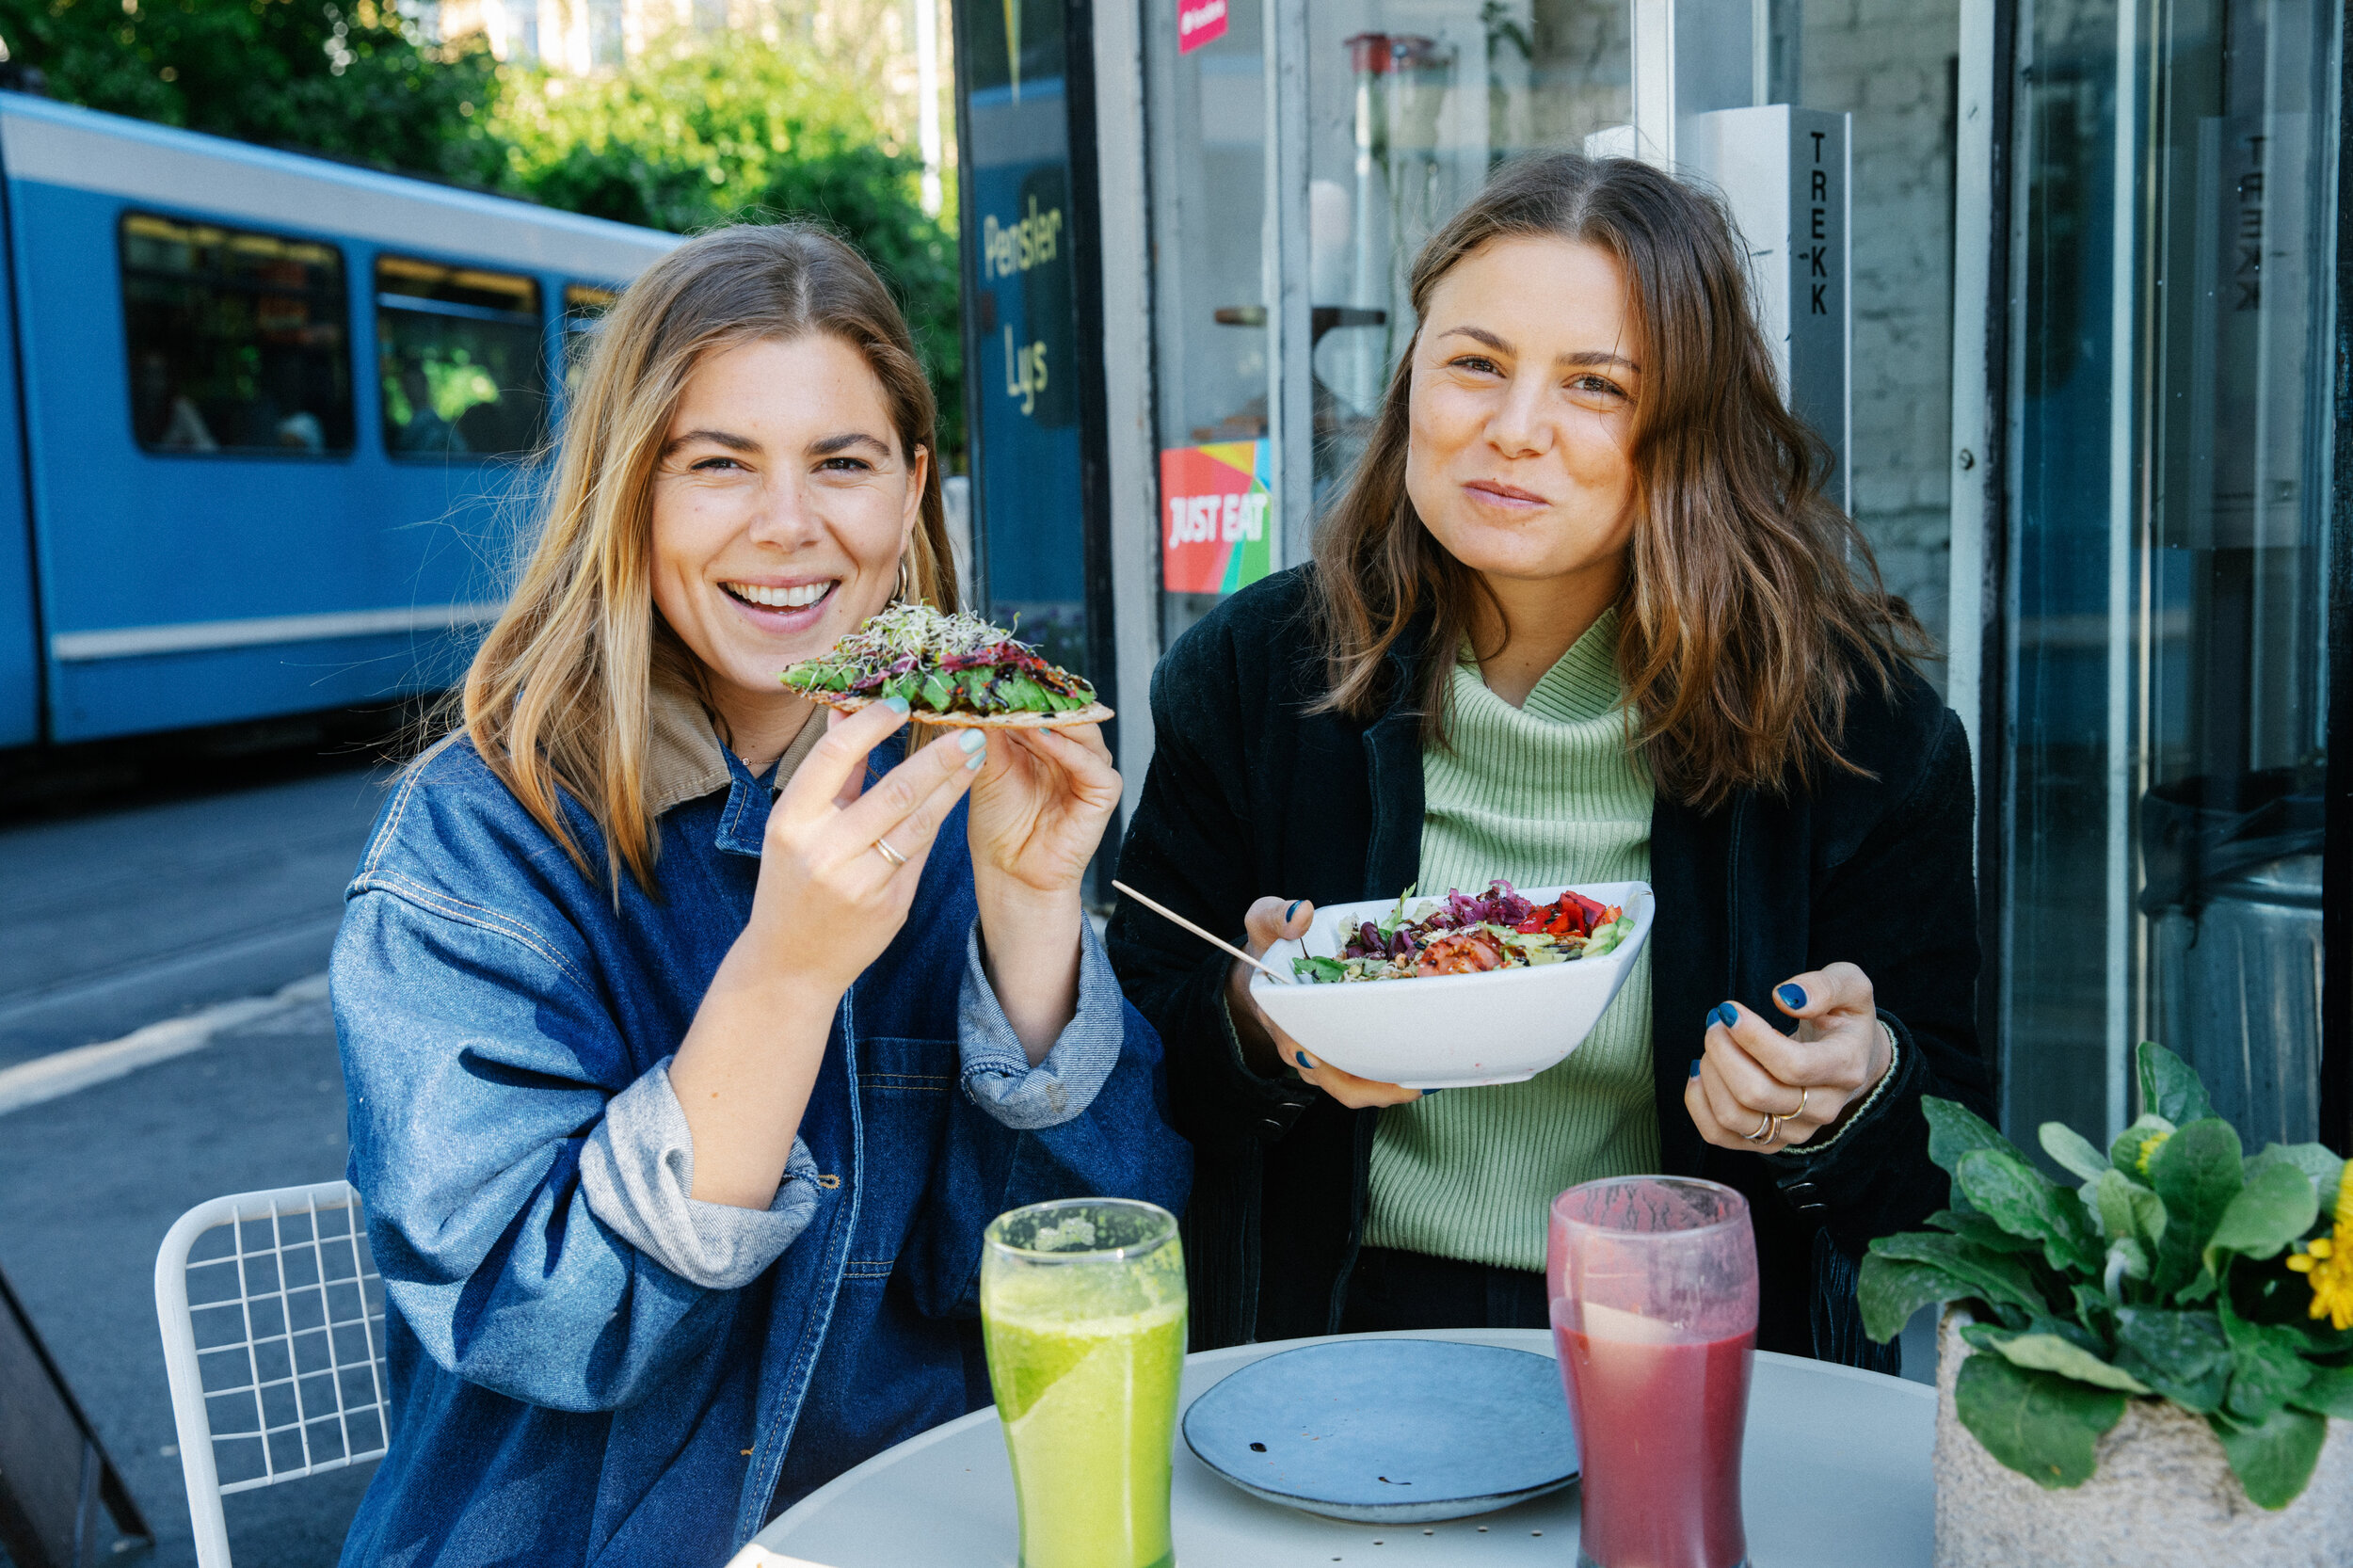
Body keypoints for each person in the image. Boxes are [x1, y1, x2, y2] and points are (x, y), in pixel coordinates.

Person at [333, 224, 1189, 1567]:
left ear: (911, 494)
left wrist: (1030, 919)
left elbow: (1069, 1270)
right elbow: (540, 1321)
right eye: (719, 464)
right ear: (632, 495)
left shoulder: (957, 785)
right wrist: (787, 974)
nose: (788, 525)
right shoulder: (474, 841)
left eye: (840, 464)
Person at [1108, 152, 1993, 1365]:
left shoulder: (1856, 729)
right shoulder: (1253, 675)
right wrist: (1258, 1022)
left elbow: (1954, 1173)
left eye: (1597, 385)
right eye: (1475, 364)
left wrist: (1859, 1091)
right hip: (1319, 1346)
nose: (1514, 432)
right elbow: (1131, 1066)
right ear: (1410, 376)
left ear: (1686, 427)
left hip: (1700, 1360)